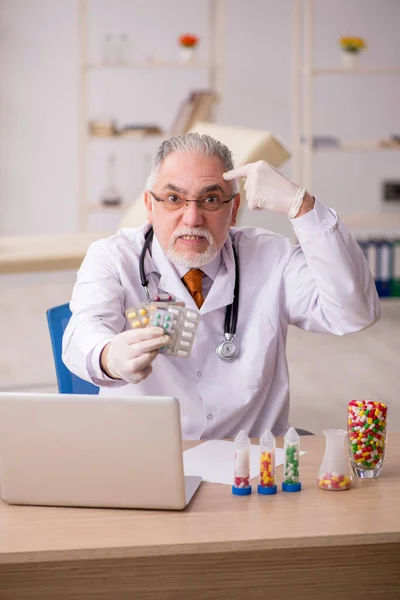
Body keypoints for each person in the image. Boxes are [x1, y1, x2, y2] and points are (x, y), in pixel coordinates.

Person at [62, 133, 380, 439]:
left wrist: (303, 206)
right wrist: (107, 355)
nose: (192, 218)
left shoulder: (272, 257)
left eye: (211, 199)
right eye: (174, 199)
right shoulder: (113, 258)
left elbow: (354, 312)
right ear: (149, 205)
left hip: (252, 465)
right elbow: (84, 328)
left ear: (234, 210)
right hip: (143, 459)